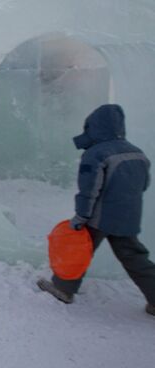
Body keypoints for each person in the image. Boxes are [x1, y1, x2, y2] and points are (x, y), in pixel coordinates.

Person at [37, 104, 155, 317]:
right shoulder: (137, 153)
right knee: (135, 257)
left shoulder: (96, 153)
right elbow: (144, 184)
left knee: (77, 249)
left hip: (99, 217)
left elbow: (89, 191)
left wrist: (81, 215)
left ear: (94, 127)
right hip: (128, 217)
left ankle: (63, 289)